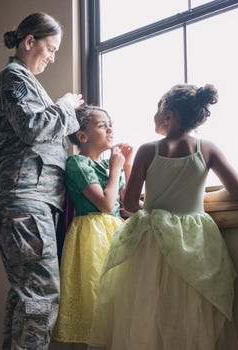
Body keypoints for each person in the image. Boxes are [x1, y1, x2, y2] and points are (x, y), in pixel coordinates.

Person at [87, 83, 238, 350]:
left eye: (157, 108)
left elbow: (129, 202)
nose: (155, 114)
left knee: (146, 308)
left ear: (168, 115)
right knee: (189, 307)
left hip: (152, 242)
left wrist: (150, 207)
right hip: (193, 240)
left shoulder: (149, 149)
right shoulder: (207, 148)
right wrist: (203, 200)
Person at [0, 12, 84, 350]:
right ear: (30, 42)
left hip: (31, 199)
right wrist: (65, 105)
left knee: (26, 294)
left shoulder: (27, 82)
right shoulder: (13, 78)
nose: (53, 57)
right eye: (51, 48)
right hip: (23, 197)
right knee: (41, 295)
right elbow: (34, 129)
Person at [53, 106, 133, 347]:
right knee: (94, 293)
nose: (110, 129)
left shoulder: (110, 167)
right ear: (83, 136)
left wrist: (127, 165)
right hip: (91, 235)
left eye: (110, 124)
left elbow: (127, 206)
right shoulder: (78, 163)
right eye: (101, 125)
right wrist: (116, 168)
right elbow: (106, 204)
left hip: (115, 232)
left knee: (117, 295)